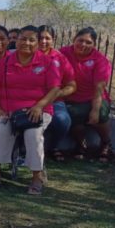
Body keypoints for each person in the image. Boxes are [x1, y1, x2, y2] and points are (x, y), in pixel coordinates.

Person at [0, 25, 61, 195]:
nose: (27, 43)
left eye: (31, 40)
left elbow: (55, 89)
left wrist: (39, 106)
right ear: (16, 40)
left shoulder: (47, 62)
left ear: (38, 43)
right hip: (9, 111)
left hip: (38, 110)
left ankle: (36, 177)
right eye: (23, 39)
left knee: (33, 134)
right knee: (0, 130)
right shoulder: (6, 62)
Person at [60, 26, 113, 162]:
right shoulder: (63, 53)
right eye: (80, 40)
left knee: (101, 113)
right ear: (74, 39)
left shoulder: (100, 60)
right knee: (72, 115)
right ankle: (81, 144)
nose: (83, 44)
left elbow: (99, 87)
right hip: (71, 98)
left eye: (88, 42)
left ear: (94, 45)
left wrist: (95, 110)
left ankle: (106, 143)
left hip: (94, 98)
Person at [38, 25, 76, 161]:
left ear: (53, 40)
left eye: (47, 38)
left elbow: (72, 85)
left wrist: (59, 93)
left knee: (62, 120)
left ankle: (52, 147)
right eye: (40, 38)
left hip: (54, 101)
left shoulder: (60, 58)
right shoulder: (27, 55)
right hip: (29, 100)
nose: (43, 41)